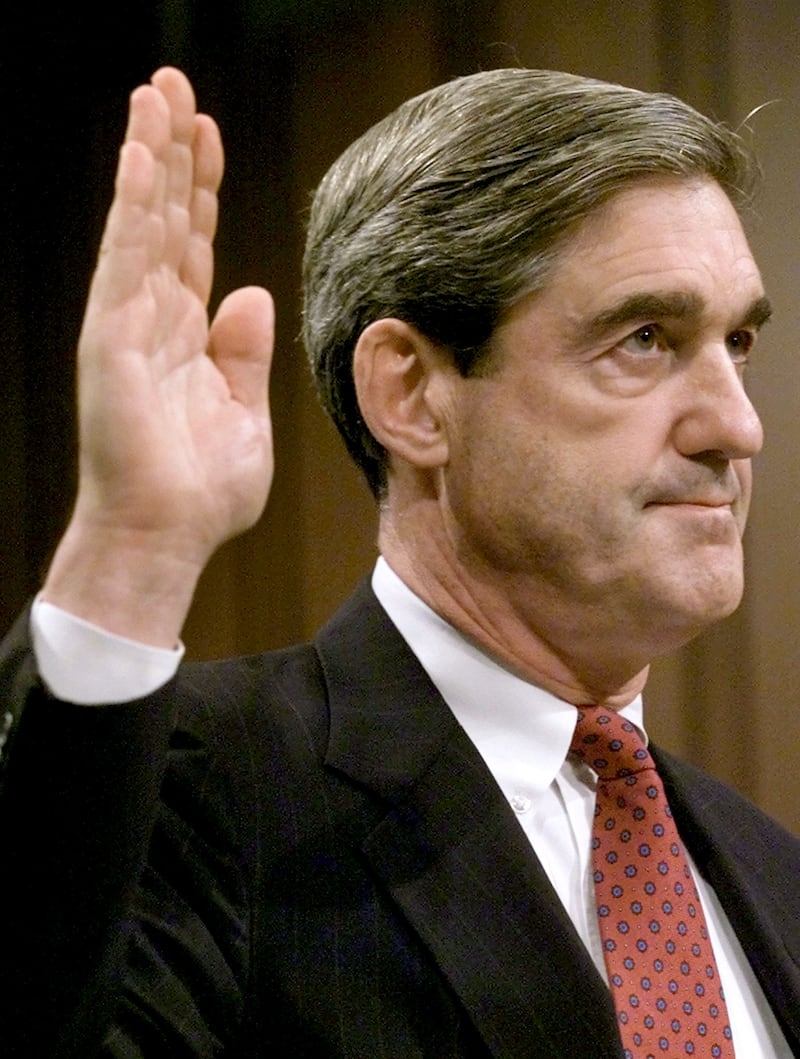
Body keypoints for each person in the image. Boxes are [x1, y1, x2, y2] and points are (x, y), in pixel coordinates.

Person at [0, 64, 798, 1058]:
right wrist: (131, 553)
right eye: (643, 339)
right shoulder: (196, 793)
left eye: (738, 342)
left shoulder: (774, 876)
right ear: (412, 395)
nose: (737, 426)